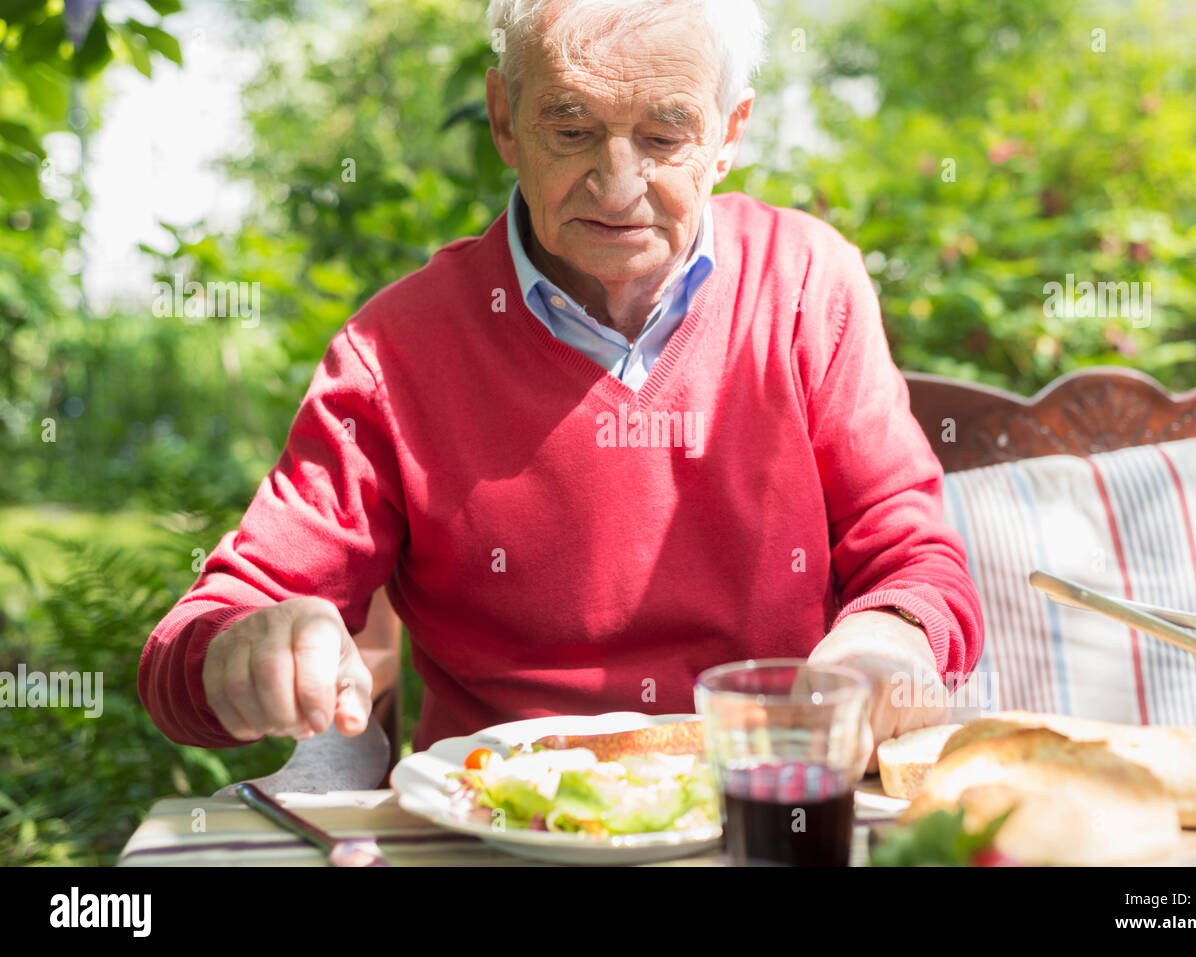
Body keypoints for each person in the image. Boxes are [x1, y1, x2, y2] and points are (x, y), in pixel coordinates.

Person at [139, 0, 983, 773]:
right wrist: (240, 652)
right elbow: (202, 632)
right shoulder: (393, 352)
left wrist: (890, 642)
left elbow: (915, 559)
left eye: (663, 136)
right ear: (504, 119)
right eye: (572, 130)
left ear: (729, 133)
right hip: (506, 829)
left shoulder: (808, 285)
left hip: (770, 805)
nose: (618, 186)